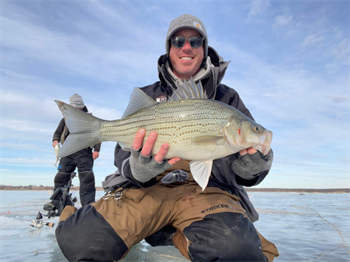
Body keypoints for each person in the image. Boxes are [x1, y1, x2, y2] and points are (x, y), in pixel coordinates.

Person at [55, 14, 279, 261]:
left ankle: (174, 234)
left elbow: (247, 173)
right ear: (169, 48)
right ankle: (68, 210)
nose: (186, 47)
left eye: (195, 42)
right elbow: (122, 156)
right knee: (81, 242)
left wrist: (253, 167)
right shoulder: (147, 94)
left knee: (239, 252)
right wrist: (139, 169)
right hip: (148, 189)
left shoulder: (228, 98)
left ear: (204, 50)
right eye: (178, 40)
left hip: (208, 194)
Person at [44, 94, 101, 212]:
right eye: (75, 107)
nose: (77, 109)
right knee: (61, 176)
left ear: (82, 107)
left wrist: (96, 150)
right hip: (68, 151)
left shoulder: (89, 118)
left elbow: (97, 134)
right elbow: (58, 132)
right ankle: (56, 202)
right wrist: (55, 140)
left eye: (79, 107)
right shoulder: (65, 118)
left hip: (84, 152)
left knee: (87, 178)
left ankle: (88, 204)